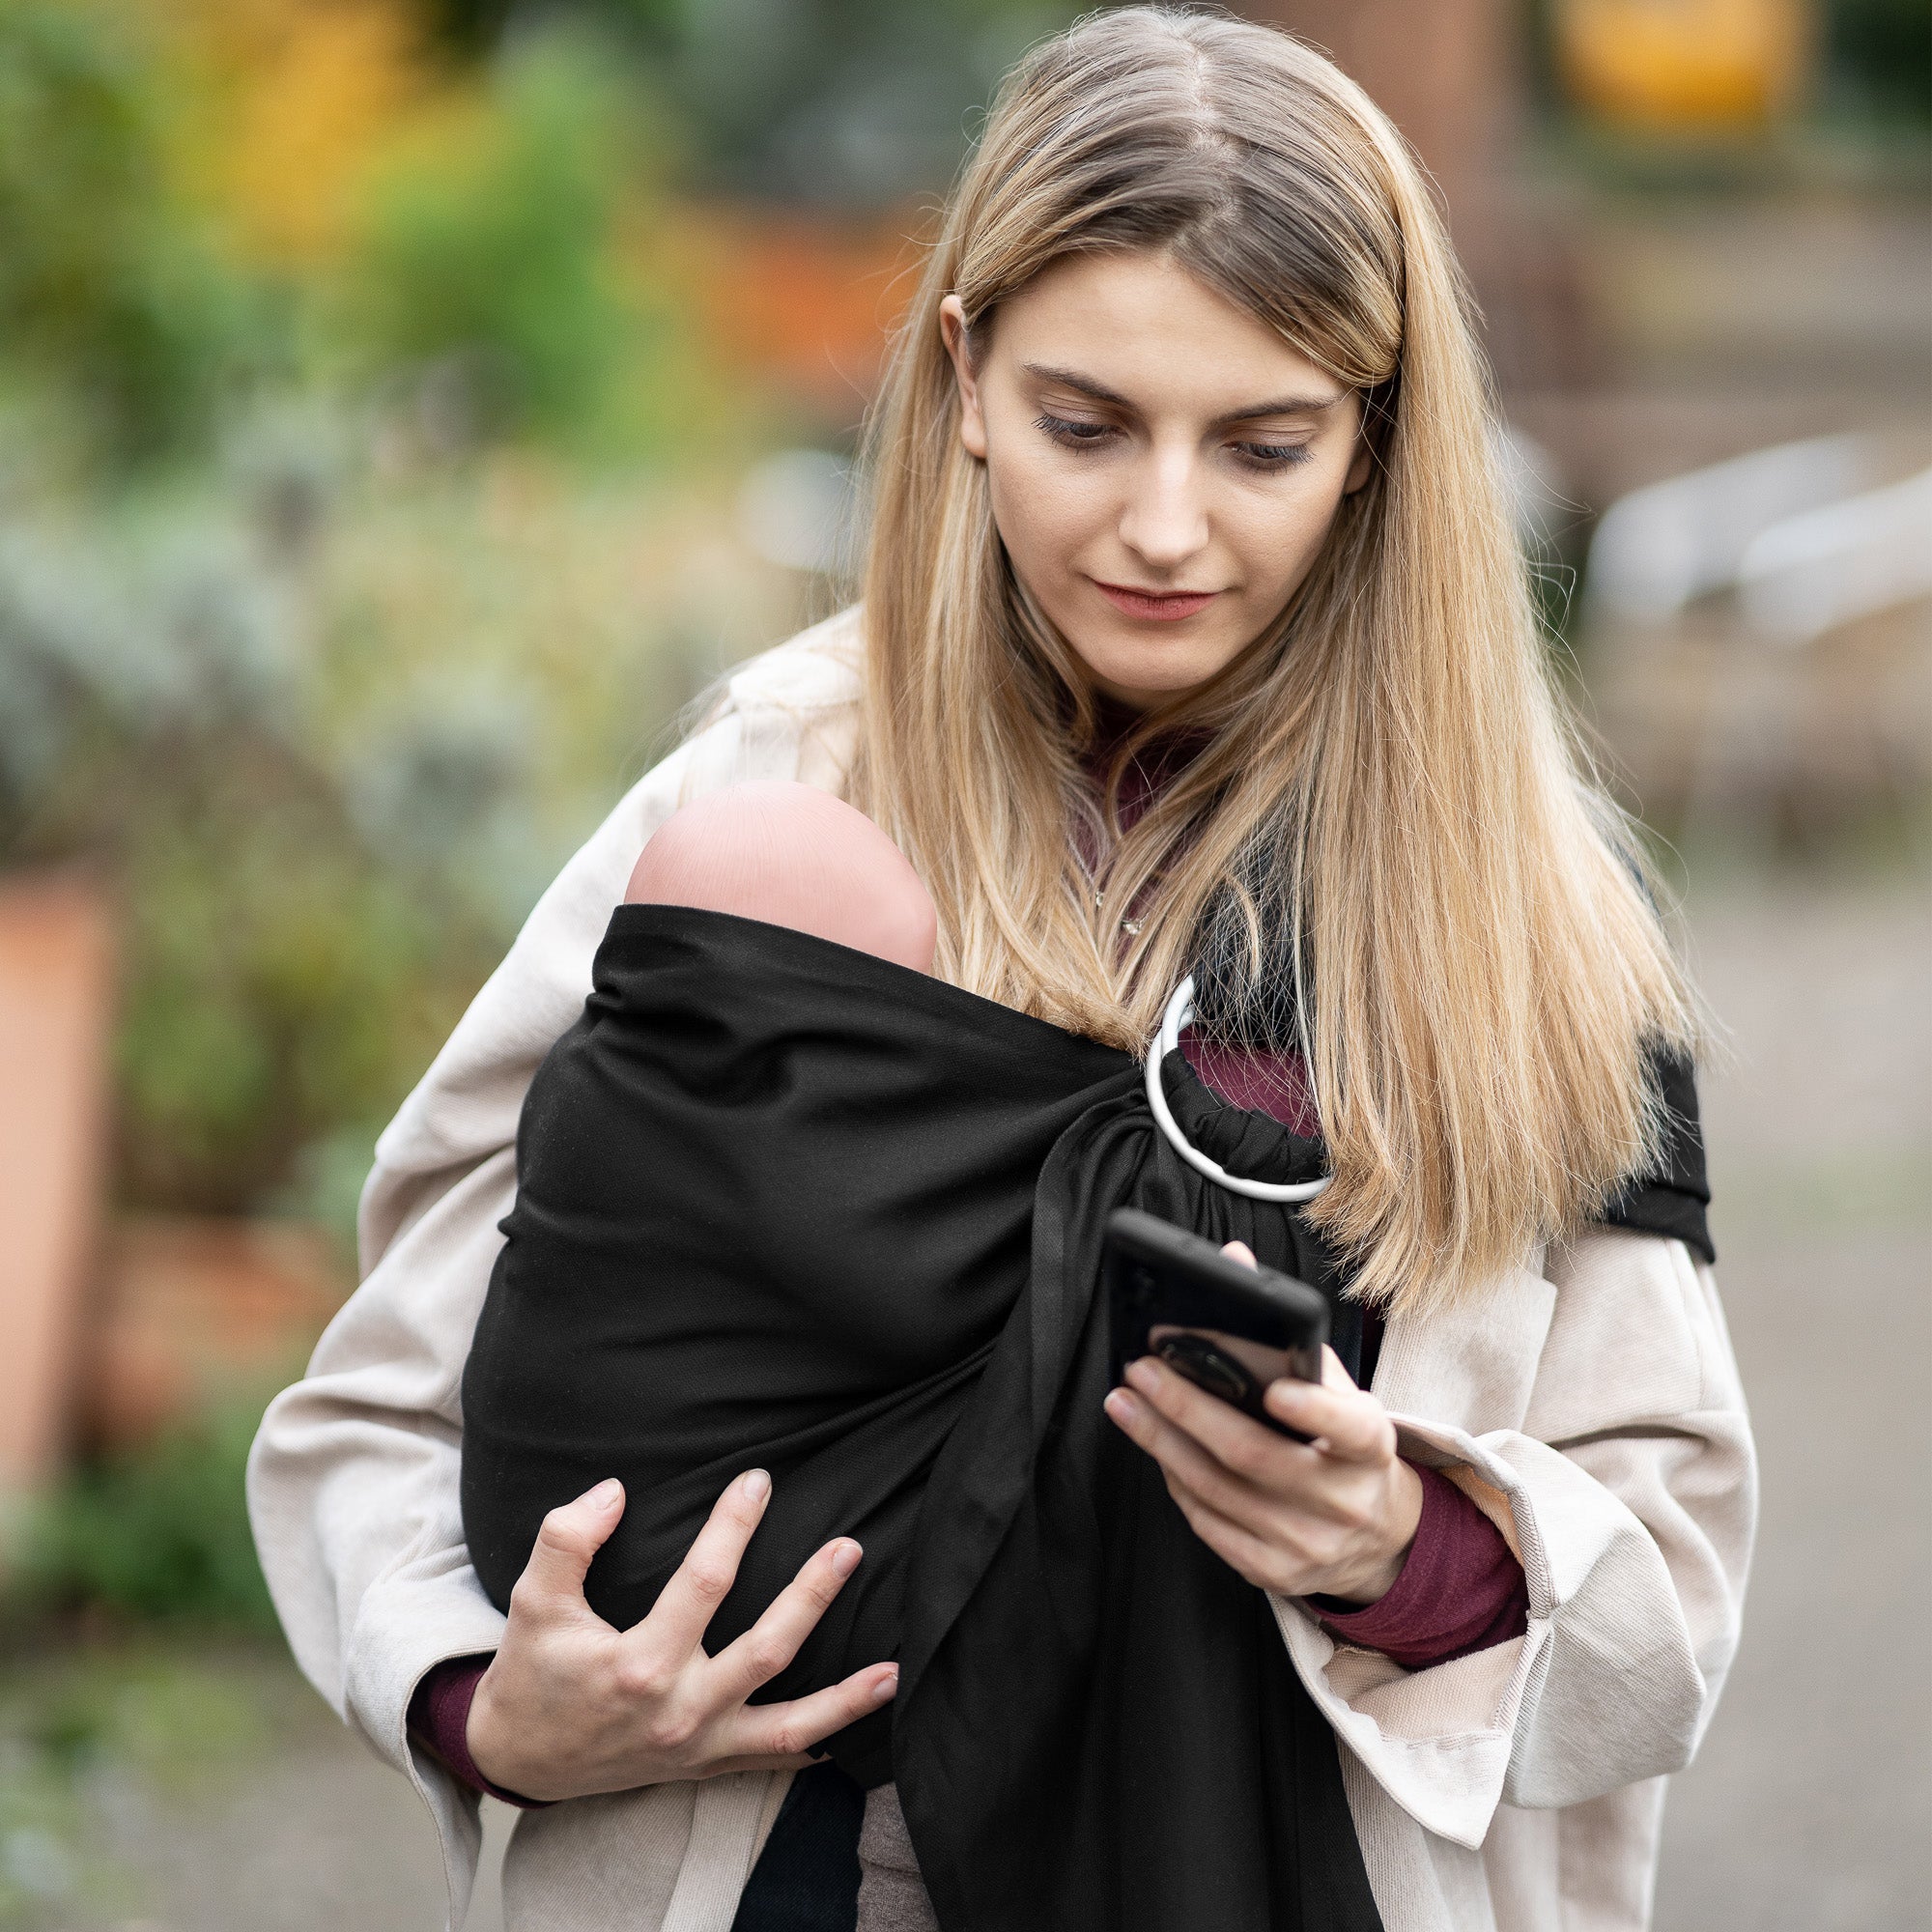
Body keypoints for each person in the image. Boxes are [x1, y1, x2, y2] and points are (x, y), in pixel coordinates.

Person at [246, 11, 1755, 1931]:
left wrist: (1416, 1547)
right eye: (1084, 422)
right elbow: (379, 1414)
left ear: (1377, 441)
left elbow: (1673, 1582)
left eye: (1264, 442)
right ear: (961, 371)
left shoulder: (1525, 923)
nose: (1160, 526)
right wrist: (486, 1701)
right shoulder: (768, 805)